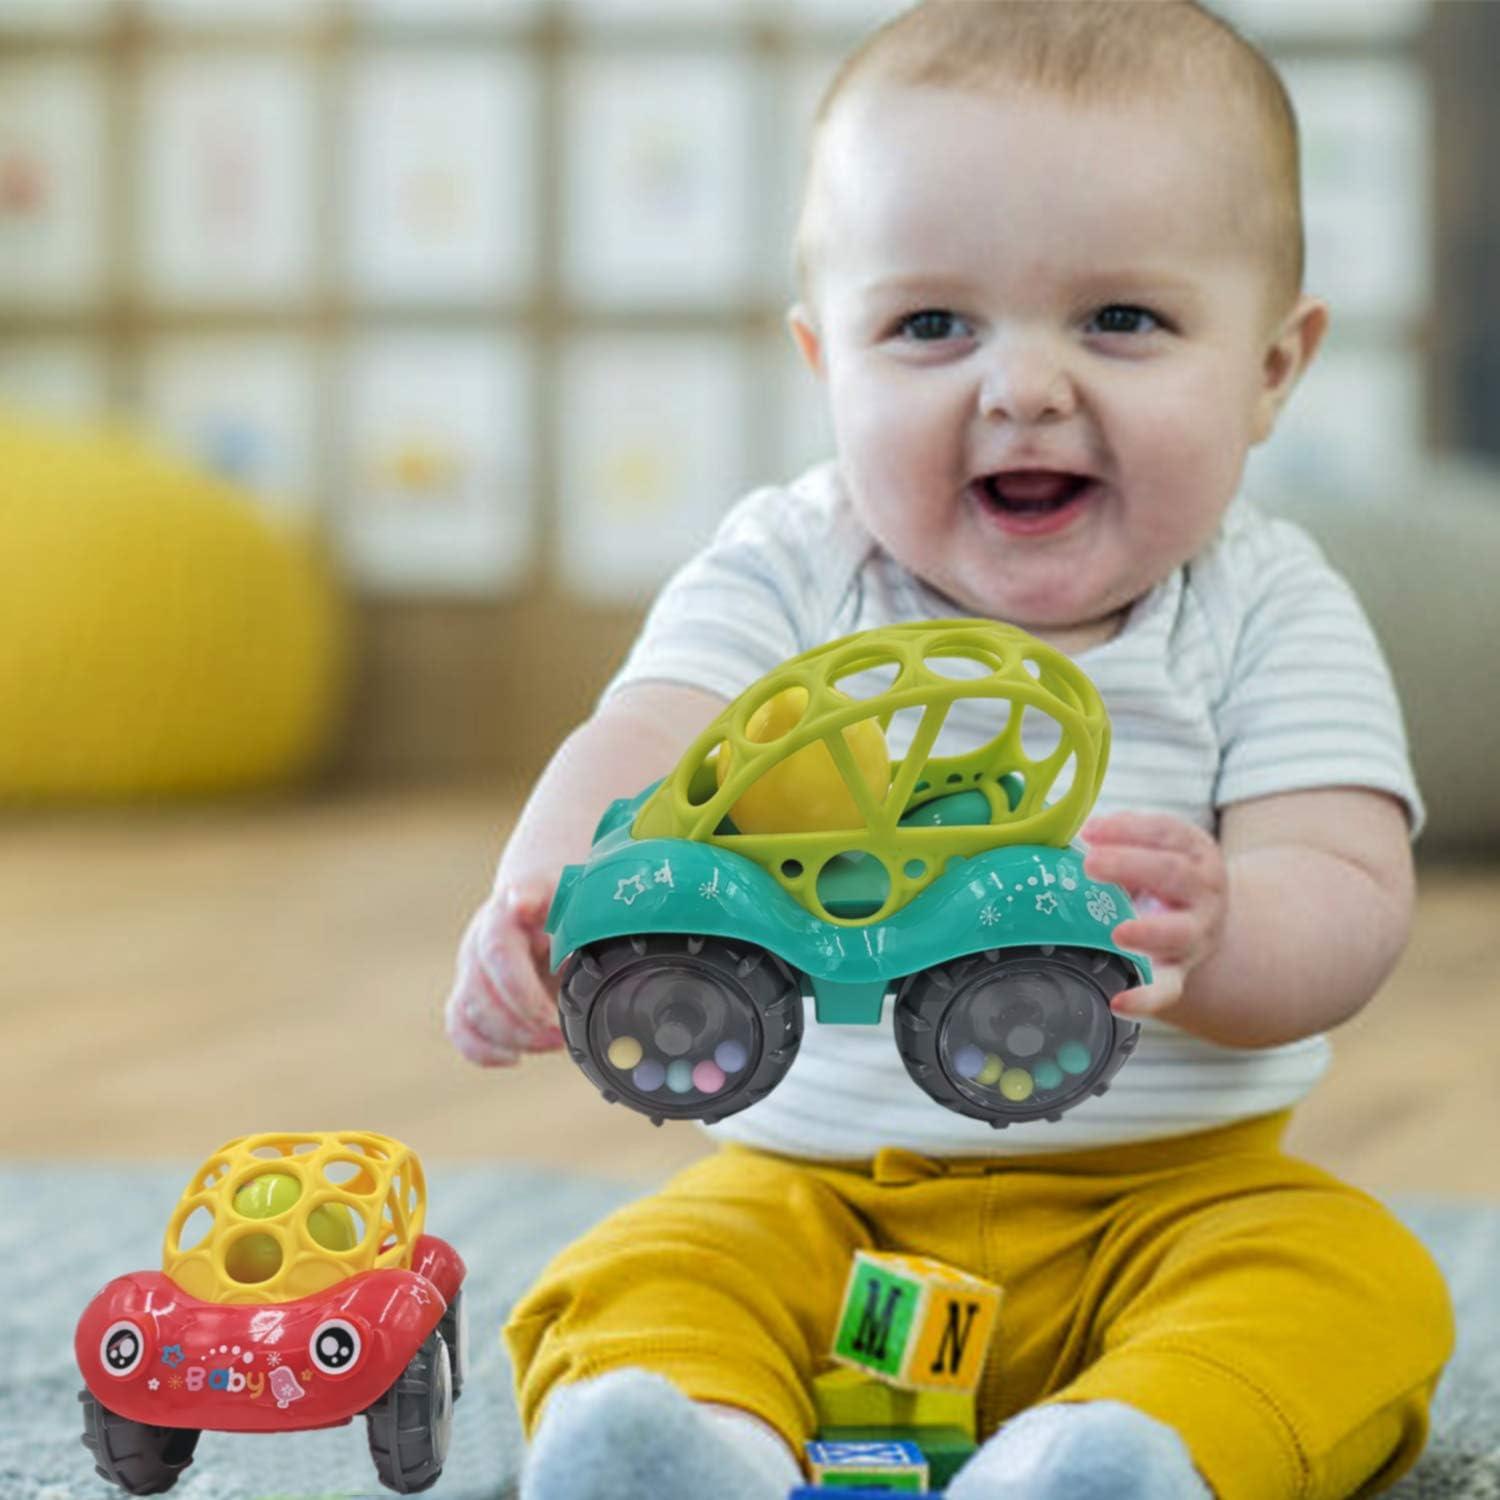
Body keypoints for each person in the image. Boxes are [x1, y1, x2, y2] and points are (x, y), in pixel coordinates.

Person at [445, 4, 1453, 1497]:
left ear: (1270, 367)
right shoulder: (790, 568)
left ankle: (1120, 1457)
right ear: (823, 359)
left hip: (1173, 1205)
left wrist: (1232, 932)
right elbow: (646, 740)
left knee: (1360, 1284)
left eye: (1122, 319)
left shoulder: (1269, 605)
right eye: (929, 325)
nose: (1023, 385)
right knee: (637, 1269)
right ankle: (692, 1445)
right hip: (808, 1201)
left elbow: (1349, 883)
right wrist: (547, 894)